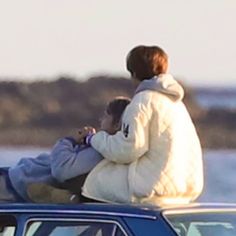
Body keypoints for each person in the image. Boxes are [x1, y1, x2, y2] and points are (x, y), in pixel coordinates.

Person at [81, 45, 204, 206]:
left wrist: (93, 139)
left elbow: (127, 149)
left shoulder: (143, 101)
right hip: (182, 191)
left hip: (151, 190)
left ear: (134, 72)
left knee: (88, 183)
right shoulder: (177, 104)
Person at [0, 96, 131, 203]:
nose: (101, 119)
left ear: (117, 124)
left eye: (106, 116)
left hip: (18, 182)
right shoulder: (106, 147)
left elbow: (62, 169)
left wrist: (70, 141)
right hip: (18, 176)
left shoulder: (103, 151)